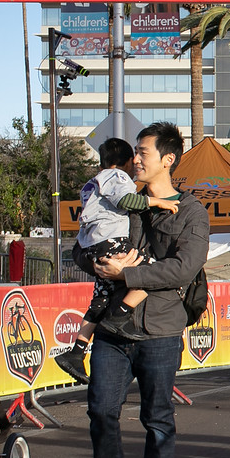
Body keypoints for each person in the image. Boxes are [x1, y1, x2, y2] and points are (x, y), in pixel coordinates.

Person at [82, 123, 211, 458]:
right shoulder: (122, 199)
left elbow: (184, 268)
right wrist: (98, 263)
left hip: (160, 329)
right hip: (112, 329)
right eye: (135, 153)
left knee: (157, 417)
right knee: (101, 410)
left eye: (143, 153)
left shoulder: (192, 211)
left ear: (168, 159)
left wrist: (127, 277)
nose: (134, 160)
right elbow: (83, 241)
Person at [53, 138, 181, 384]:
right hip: (110, 241)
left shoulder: (92, 183)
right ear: (122, 163)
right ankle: (120, 317)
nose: (136, 163)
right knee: (153, 273)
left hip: (93, 245)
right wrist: (158, 202)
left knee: (100, 300)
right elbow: (126, 201)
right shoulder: (117, 177)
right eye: (132, 159)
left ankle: (76, 352)